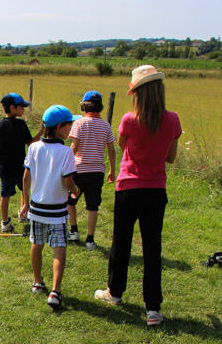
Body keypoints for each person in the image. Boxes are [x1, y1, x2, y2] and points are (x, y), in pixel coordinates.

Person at [94, 65, 182, 326]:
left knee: (121, 243)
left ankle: (115, 292)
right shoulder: (173, 119)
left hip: (128, 189)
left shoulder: (129, 120)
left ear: (137, 94)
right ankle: (153, 309)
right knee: (152, 249)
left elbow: (123, 146)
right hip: (156, 190)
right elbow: (171, 157)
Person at [21, 104, 81, 309]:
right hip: (57, 212)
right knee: (59, 249)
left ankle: (37, 282)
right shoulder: (66, 152)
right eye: (69, 125)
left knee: (36, 245)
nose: (71, 129)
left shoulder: (34, 147)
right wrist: (75, 190)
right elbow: (67, 182)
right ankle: (55, 291)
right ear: (59, 127)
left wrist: (24, 202)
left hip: (37, 209)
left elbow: (26, 177)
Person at [67, 90, 116, 249]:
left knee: (70, 201)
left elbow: (74, 146)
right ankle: (90, 239)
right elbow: (111, 150)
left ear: (83, 106)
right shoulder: (106, 125)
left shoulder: (79, 123)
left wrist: (65, 164)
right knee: (93, 206)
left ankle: (74, 231)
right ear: (100, 107)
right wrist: (112, 170)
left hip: (79, 170)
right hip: (97, 172)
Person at [0, 93, 44, 232]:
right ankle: (24, 214)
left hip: (5, 168)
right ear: (13, 108)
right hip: (21, 167)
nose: (24, 110)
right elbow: (31, 143)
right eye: (22, 107)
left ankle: (4, 223)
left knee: (5, 195)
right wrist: (43, 130)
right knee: (25, 190)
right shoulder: (21, 124)